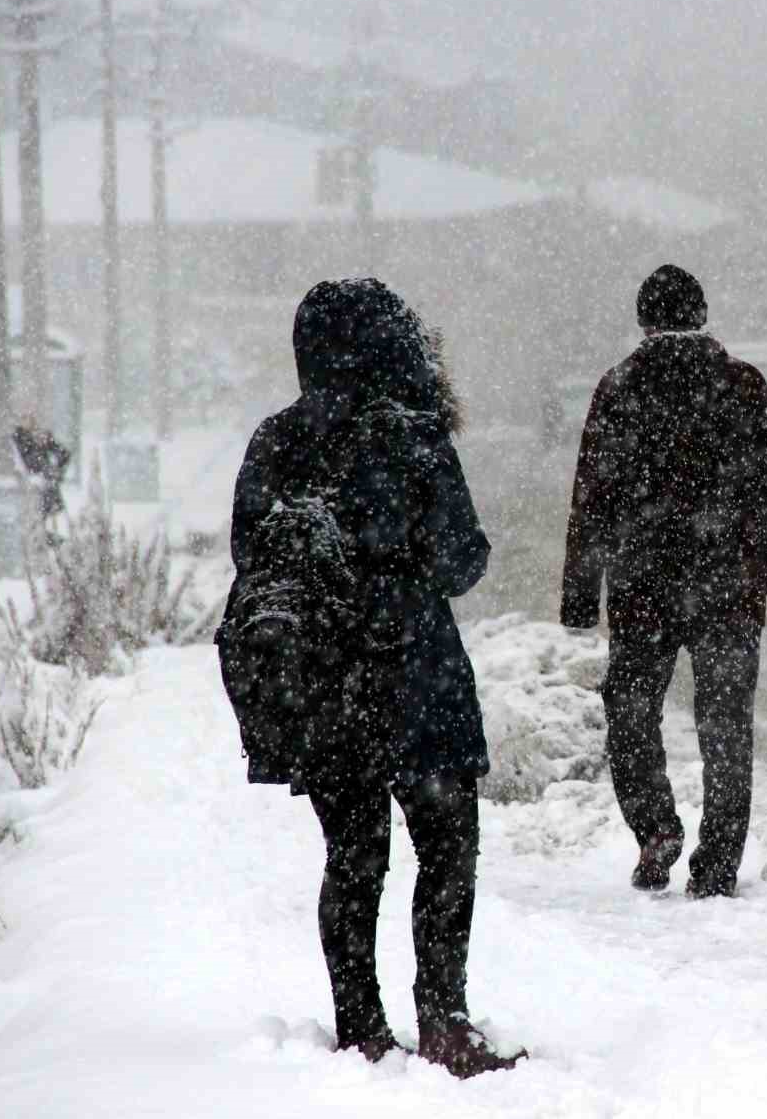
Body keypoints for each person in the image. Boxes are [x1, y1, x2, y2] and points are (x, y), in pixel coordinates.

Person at [228, 278, 523, 1078]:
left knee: (353, 860)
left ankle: (360, 1026)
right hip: (415, 680)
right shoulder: (414, 437)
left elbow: (249, 558)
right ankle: (445, 1019)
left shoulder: (276, 441)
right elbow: (462, 560)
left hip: (321, 692)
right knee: (447, 851)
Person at [560, 264, 767, 900]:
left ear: (644, 320)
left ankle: (656, 828)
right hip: (727, 588)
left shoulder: (618, 387)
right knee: (725, 725)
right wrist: (765, 569)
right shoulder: (743, 384)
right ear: (701, 315)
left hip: (644, 588)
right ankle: (718, 862)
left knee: (631, 714)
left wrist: (583, 593)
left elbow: (593, 496)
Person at [11, 417, 70, 522]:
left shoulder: (41, 436)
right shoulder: (19, 437)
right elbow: (27, 460)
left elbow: (64, 453)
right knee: (45, 487)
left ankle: (50, 515)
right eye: (26, 417)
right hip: (34, 477)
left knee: (49, 485)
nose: (31, 421)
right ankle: (47, 515)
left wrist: (57, 468)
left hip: (45, 477)